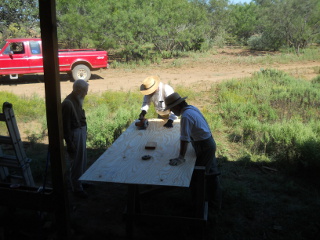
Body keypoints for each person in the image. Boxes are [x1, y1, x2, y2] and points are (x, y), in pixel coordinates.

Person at [164, 92, 222, 209]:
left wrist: (181, 157)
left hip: (205, 146)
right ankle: (214, 201)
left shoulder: (185, 116)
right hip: (207, 143)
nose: (171, 112)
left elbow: (184, 138)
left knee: (199, 177)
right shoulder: (191, 108)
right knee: (211, 173)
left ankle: (199, 205)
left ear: (176, 106)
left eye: (171, 109)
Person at [62, 80, 89, 198]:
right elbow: (65, 127)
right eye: (84, 91)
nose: (86, 94)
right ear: (78, 90)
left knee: (82, 160)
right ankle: (77, 188)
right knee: (76, 162)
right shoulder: (68, 103)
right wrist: (70, 144)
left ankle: (82, 181)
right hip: (75, 135)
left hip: (80, 133)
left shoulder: (77, 100)